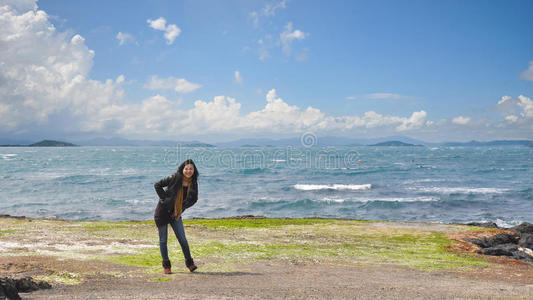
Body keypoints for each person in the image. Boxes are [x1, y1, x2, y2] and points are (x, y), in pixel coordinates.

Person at [154, 159, 199, 273]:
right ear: (182, 169)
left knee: (183, 239)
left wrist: (182, 209)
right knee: (163, 240)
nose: (188, 171)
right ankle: (167, 266)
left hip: (176, 214)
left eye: (191, 169)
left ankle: (190, 264)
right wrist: (165, 199)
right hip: (162, 212)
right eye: (186, 168)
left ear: (194, 170)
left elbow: (194, 199)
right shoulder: (175, 177)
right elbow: (157, 185)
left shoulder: (193, 183)